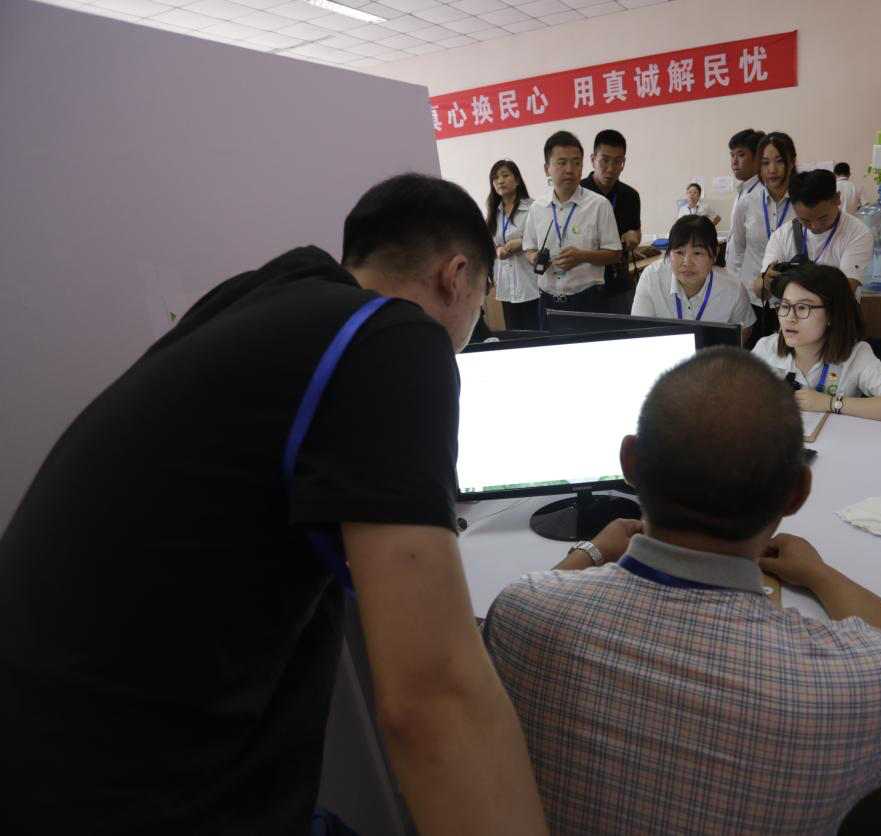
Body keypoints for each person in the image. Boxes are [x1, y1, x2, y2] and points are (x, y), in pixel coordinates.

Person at [0, 173, 547, 834]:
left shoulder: (262, 294)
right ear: (456, 277)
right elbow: (435, 697)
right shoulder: (396, 335)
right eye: (482, 296)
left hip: (43, 746)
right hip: (125, 793)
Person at [482, 347, 881, 834]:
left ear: (630, 463)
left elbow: (537, 594)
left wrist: (591, 552)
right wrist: (821, 574)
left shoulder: (520, 613)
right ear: (796, 493)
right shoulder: (846, 688)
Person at [753, 263, 881, 421]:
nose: (790, 318)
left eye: (803, 307)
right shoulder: (766, 348)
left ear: (832, 314)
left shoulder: (856, 355)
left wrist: (830, 403)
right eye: (785, 306)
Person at [523, 130, 622, 319]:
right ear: (547, 168)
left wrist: (582, 256)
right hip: (547, 302)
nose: (570, 169)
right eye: (562, 163)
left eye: (576, 163)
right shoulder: (537, 208)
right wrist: (534, 257)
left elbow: (614, 254)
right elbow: (529, 249)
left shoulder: (599, 205)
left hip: (589, 301)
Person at [630, 215, 754, 341]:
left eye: (697, 253)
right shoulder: (651, 278)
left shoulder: (732, 288)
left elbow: (744, 331)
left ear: (715, 254)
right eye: (679, 252)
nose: (687, 263)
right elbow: (638, 332)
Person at [762, 168, 874, 298]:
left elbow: (846, 289)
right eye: (805, 220)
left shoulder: (857, 232)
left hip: (837, 310)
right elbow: (760, 291)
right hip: (792, 311)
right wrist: (766, 284)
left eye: (823, 218)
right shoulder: (781, 236)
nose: (815, 226)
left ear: (837, 198)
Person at [729, 131, 798, 340]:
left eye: (779, 161)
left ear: (792, 161)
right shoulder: (747, 203)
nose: (772, 169)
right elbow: (737, 251)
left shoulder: (801, 202)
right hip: (754, 299)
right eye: (765, 162)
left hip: (795, 299)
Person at [579, 128, 642, 310]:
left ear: (623, 163)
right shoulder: (578, 193)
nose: (610, 168)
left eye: (617, 161)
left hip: (618, 281)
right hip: (584, 284)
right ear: (593, 159)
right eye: (604, 160)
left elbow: (636, 231)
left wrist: (634, 236)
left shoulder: (630, 196)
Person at [486, 159, 539, 331]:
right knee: (515, 335)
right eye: (495, 178)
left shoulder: (533, 207)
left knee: (535, 335)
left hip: (530, 284)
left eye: (505, 175)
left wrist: (522, 242)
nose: (500, 181)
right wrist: (498, 250)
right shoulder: (494, 211)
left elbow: (546, 239)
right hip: (506, 286)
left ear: (517, 180)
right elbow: (491, 243)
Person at [724, 127, 763, 274]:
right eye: (732, 155)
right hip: (736, 275)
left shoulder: (762, 194)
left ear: (758, 157)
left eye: (741, 155)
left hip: (752, 278)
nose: (734, 162)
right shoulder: (743, 190)